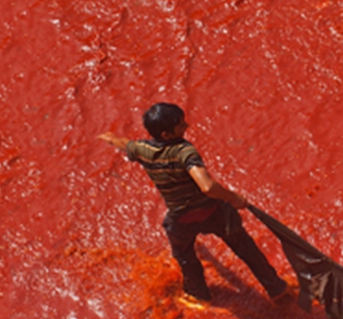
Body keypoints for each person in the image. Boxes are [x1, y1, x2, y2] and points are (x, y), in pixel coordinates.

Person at [98, 103, 286, 302]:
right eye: (181, 125)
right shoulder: (184, 151)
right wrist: (233, 198)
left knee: (186, 258)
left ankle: (199, 296)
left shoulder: (142, 149)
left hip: (182, 220)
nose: (186, 126)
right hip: (214, 211)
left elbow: (124, 144)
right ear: (167, 134)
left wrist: (108, 138)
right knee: (246, 248)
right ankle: (276, 288)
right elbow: (207, 187)